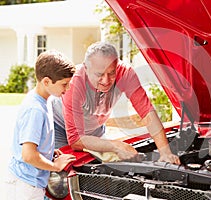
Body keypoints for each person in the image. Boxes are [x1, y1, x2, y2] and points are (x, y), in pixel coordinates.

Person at [52, 41, 181, 164]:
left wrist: (165, 152)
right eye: (99, 74)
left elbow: (147, 112)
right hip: (58, 126)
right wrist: (117, 145)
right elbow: (75, 140)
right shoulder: (75, 83)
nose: (106, 80)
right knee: (65, 170)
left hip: (94, 128)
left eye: (111, 72)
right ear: (86, 68)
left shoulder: (125, 74)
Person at [6, 50, 77, 200]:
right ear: (46, 82)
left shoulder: (45, 100)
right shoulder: (35, 110)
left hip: (32, 182)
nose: (67, 88)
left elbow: (34, 141)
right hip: (25, 187)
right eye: (64, 84)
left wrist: (48, 150)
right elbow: (28, 155)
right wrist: (56, 166)